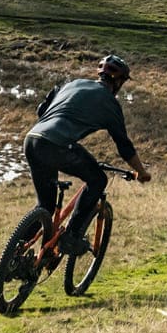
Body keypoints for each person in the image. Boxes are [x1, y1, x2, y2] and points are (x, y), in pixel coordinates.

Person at [24, 54, 151, 256]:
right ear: (119, 82)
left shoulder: (71, 84)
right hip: (56, 145)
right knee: (98, 179)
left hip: (32, 140)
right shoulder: (110, 104)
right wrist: (142, 172)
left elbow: (42, 110)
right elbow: (124, 146)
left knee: (46, 206)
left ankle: (15, 255)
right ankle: (71, 237)